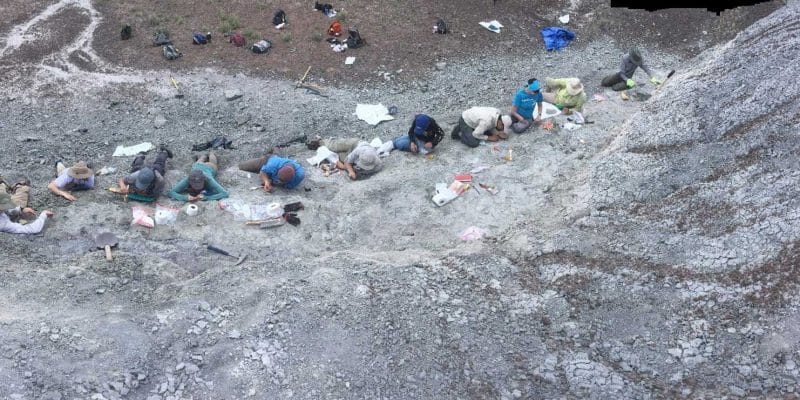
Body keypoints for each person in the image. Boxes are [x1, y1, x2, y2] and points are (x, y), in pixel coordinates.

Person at [307, 138, 382, 180]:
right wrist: (350, 170)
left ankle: (322, 148)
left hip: (353, 154)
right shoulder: (360, 150)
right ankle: (320, 141)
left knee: (336, 155)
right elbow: (347, 162)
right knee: (333, 146)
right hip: (354, 144)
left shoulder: (377, 166)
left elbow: (349, 163)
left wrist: (350, 170)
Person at [380, 114, 444, 155]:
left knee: (400, 144)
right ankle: (386, 148)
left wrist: (432, 143)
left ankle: (390, 147)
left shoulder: (432, 124)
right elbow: (411, 132)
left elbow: (441, 134)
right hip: (416, 137)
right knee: (397, 140)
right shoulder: (417, 120)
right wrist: (412, 142)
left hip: (425, 143)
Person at [239, 154, 304, 192]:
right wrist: (266, 181)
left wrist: (273, 183)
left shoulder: (299, 176)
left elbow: (288, 186)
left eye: (282, 181)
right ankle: (273, 152)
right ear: (278, 170)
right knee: (241, 166)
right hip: (267, 160)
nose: (279, 181)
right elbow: (262, 171)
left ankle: (278, 153)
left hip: (274, 166)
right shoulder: (273, 164)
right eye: (279, 179)